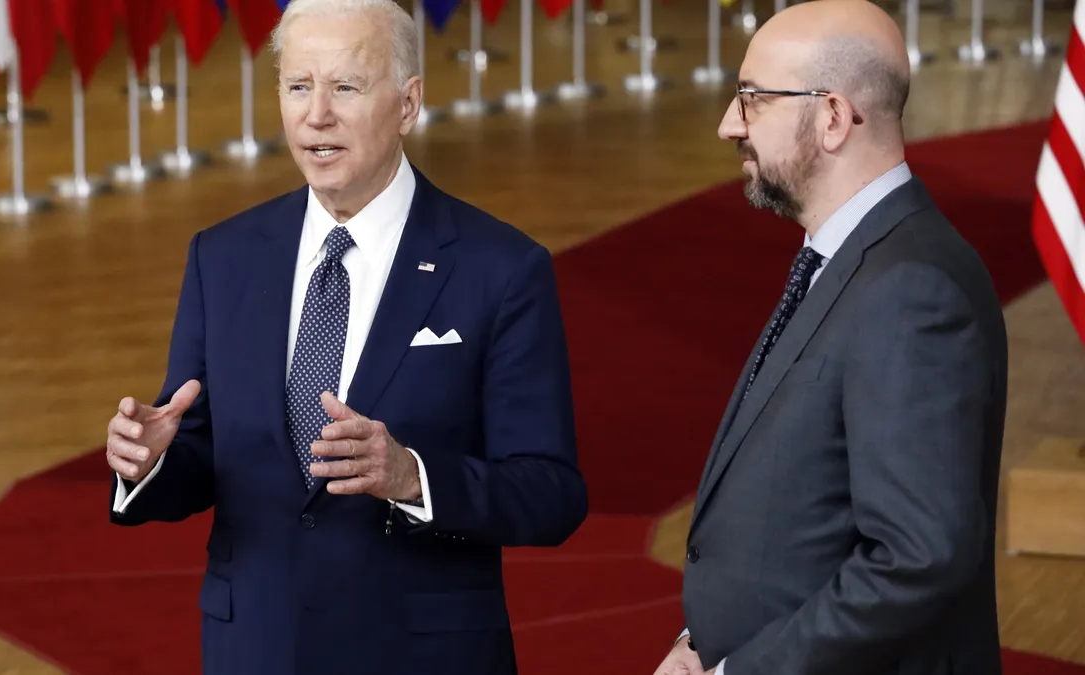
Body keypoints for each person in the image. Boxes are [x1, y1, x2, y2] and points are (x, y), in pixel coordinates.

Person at [103, 0, 587, 672]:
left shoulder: (500, 269)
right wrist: (149, 461)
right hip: (256, 649)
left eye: (346, 87)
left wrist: (410, 476)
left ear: (408, 104)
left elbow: (551, 493)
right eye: (298, 86)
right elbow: (204, 452)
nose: (317, 115)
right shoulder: (223, 257)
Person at [653, 1, 1008, 674]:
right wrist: (702, 639)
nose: (729, 123)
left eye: (753, 98)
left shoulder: (910, 291)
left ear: (834, 118)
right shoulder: (852, 256)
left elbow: (914, 559)